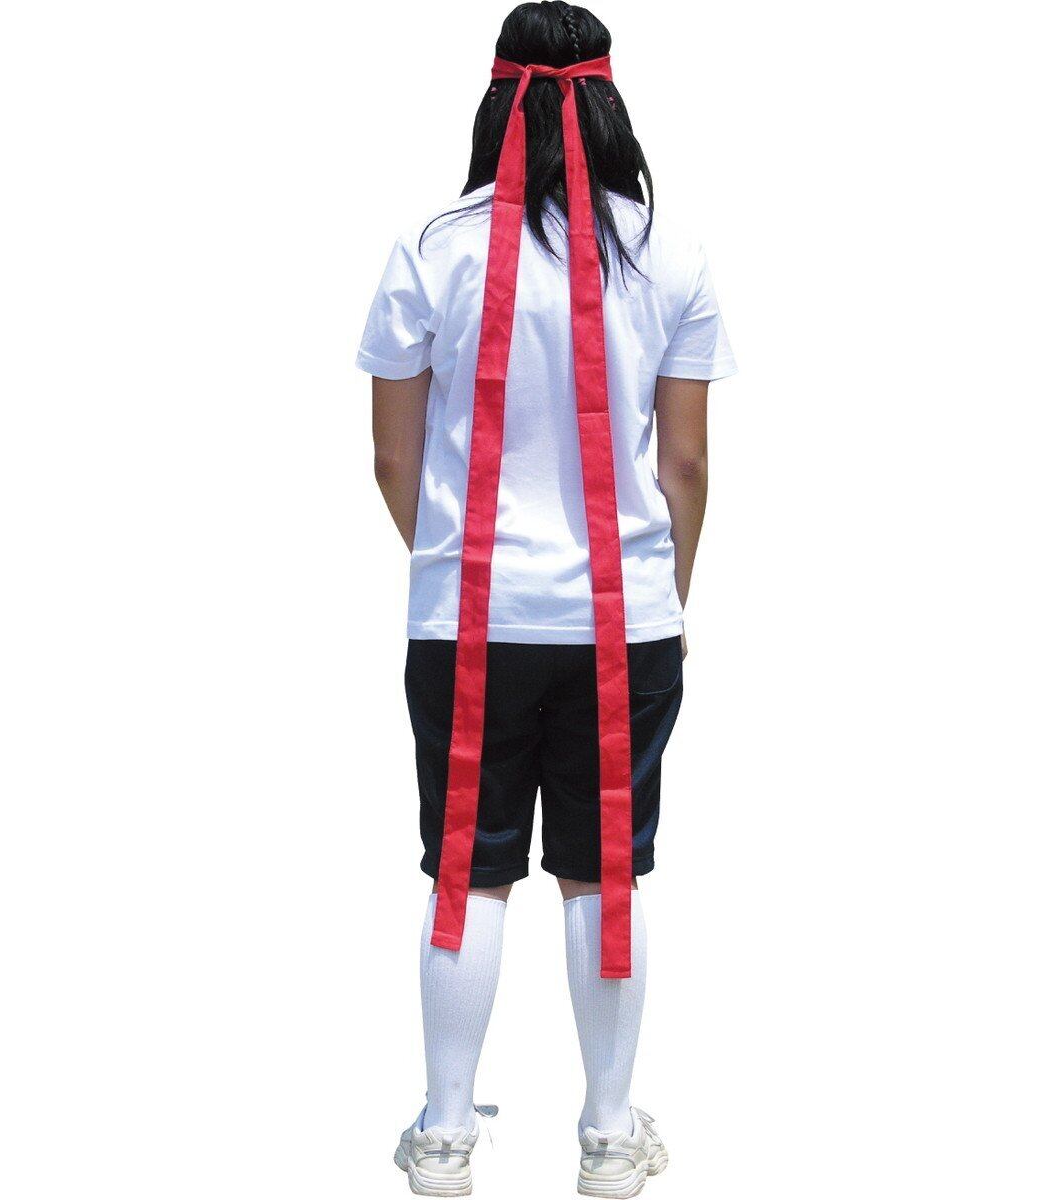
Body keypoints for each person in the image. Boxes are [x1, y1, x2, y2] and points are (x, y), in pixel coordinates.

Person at [357, 3, 735, 1194]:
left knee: (465, 871)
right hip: (622, 619)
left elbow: (392, 457)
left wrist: (454, 565)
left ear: (495, 103)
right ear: (611, 103)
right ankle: (610, 1137)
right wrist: (666, 594)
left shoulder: (432, 248)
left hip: (469, 614)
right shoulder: (669, 252)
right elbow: (684, 464)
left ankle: (445, 1136)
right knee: (601, 871)